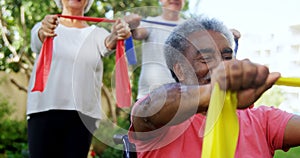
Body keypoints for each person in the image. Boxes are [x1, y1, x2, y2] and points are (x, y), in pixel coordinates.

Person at [128, 16, 300, 157]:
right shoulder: (162, 119)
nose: (220, 66)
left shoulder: (263, 120)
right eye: (205, 59)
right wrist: (214, 91)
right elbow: (150, 111)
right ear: (179, 70)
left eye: (226, 57)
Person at [26, 0, 131, 158]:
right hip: (44, 111)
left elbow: (109, 42)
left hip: (82, 117)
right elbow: (39, 36)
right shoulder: (45, 26)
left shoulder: (97, 33)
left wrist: (118, 34)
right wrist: (44, 29)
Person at [125, 0, 186, 100]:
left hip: (182, 96)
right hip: (149, 95)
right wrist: (131, 25)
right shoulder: (149, 22)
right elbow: (137, 33)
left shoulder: (191, 27)